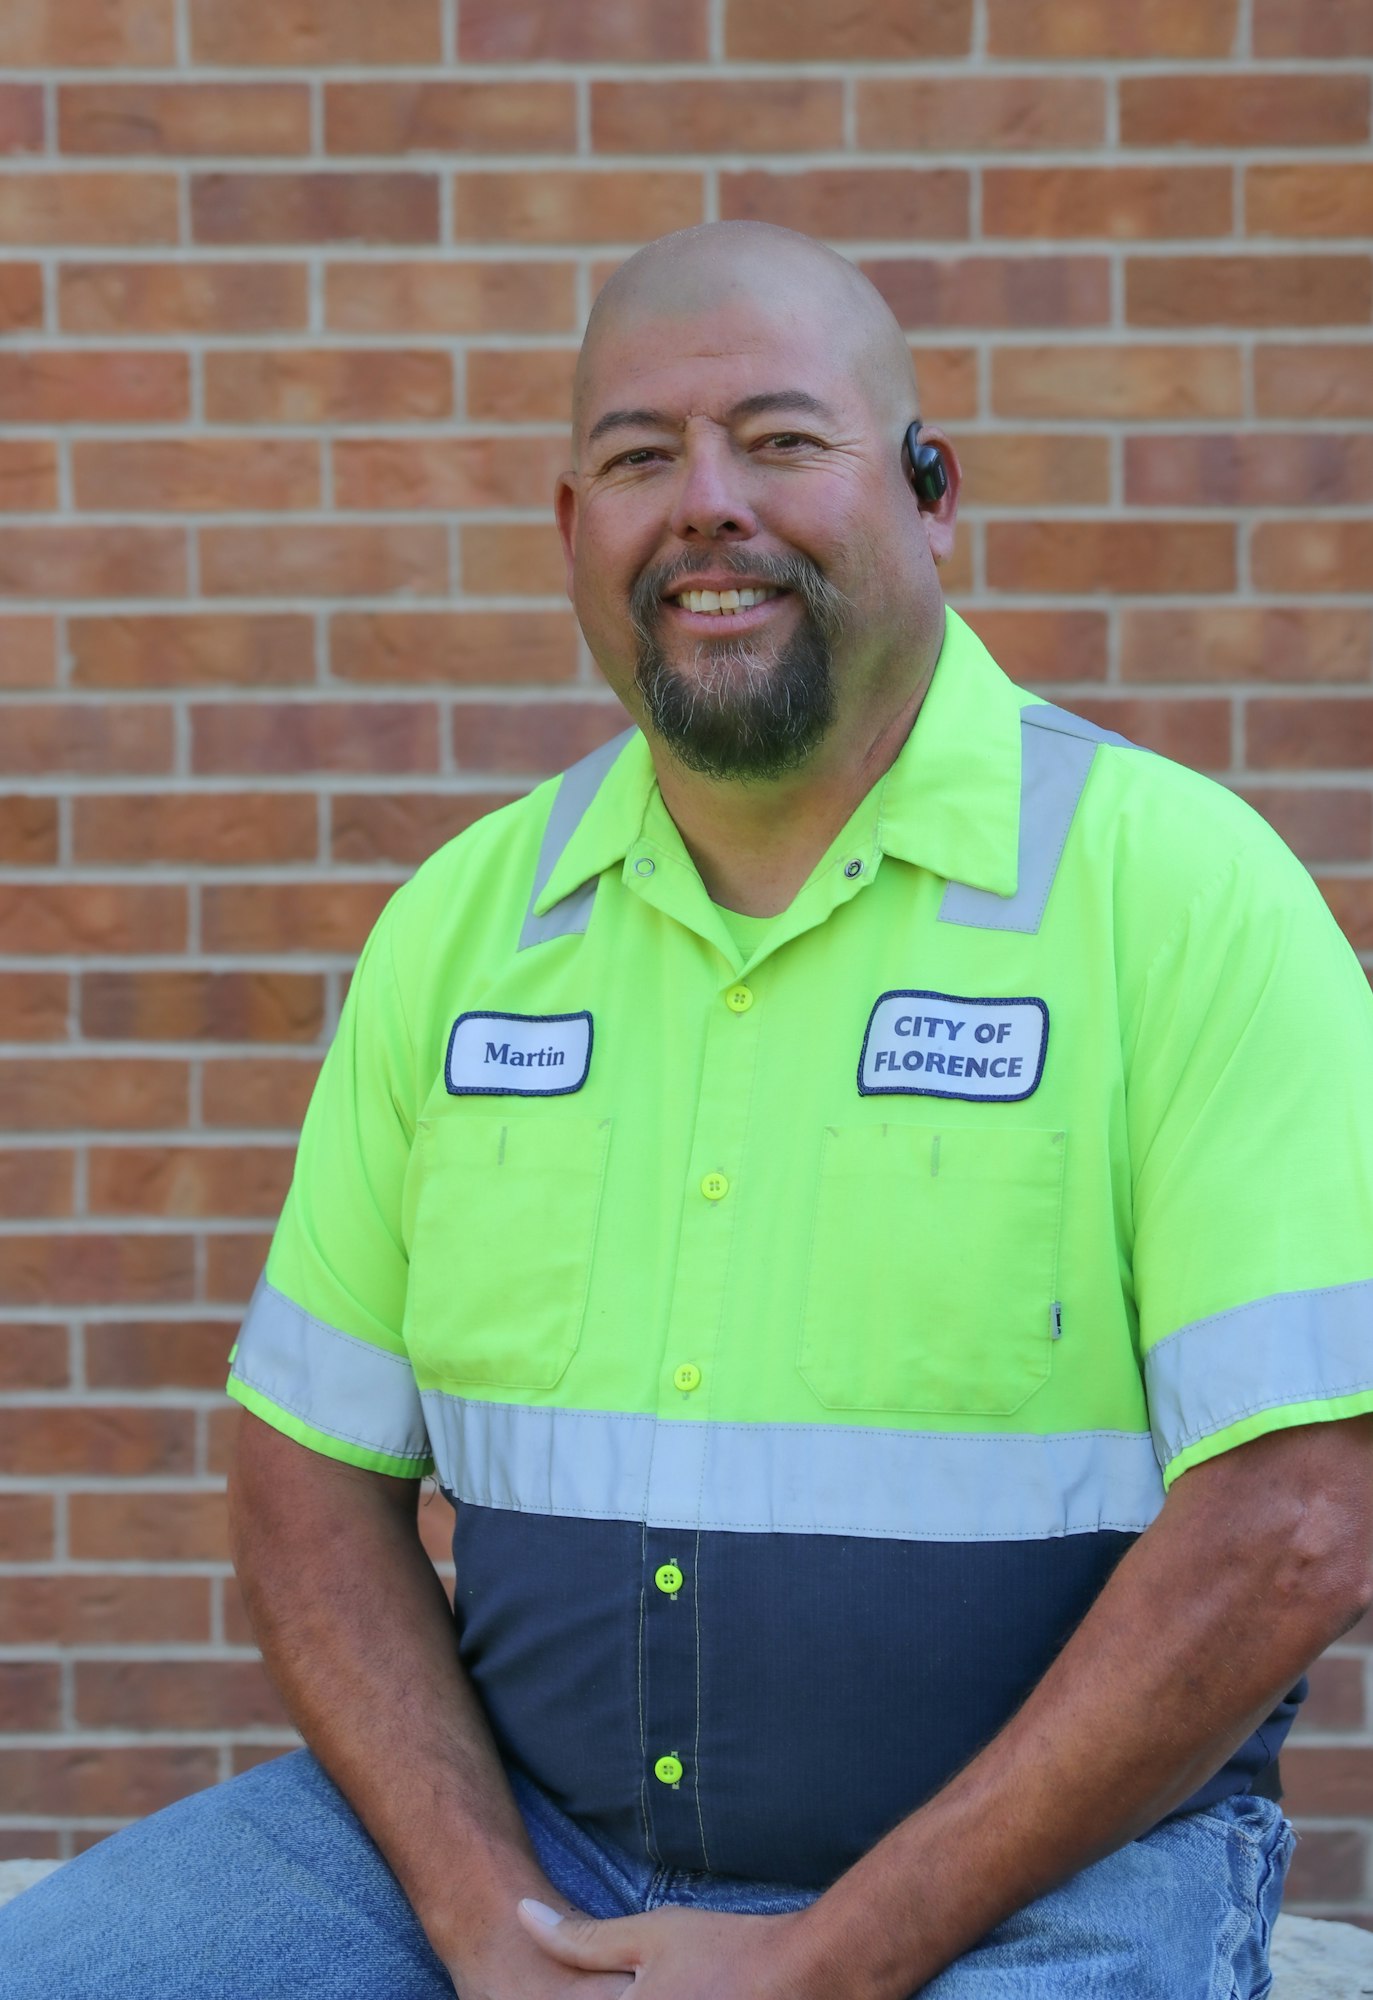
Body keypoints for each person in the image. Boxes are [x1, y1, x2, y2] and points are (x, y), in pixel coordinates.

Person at [4, 220, 1373, 2000]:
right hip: (534, 1836)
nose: (705, 504)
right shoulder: (470, 924)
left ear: (928, 490)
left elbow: (1298, 1512)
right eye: (640, 457)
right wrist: (480, 1910)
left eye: (781, 441)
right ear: (571, 531)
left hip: (1056, 1879)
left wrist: (831, 1956)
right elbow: (305, 1470)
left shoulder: (1177, 894)